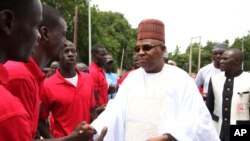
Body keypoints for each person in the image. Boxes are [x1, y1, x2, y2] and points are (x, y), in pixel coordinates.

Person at [91, 19, 219, 141]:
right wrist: (94, 127)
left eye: (146, 48)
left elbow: (198, 119)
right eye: (137, 49)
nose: (140, 52)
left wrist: (170, 137)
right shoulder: (131, 79)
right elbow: (115, 112)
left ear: (162, 50)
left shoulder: (181, 79)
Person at [3, 3, 106, 141]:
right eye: (63, 35)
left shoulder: (33, 77)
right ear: (45, 33)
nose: (65, 44)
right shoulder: (20, 77)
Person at [39, 41, 96, 138]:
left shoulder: (88, 79)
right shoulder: (47, 85)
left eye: (73, 51)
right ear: (58, 55)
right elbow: (40, 121)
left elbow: (92, 111)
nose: (70, 54)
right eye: (66, 51)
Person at [206, 48, 250, 141]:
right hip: (218, 128)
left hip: (241, 129)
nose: (220, 61)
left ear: (237, 61)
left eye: (225, 59)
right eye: (221, 59)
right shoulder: (214, 79)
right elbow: (209, 108)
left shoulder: (248, 79)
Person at [89, 44, 108, 112]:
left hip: (104, 109)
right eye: (102, 55)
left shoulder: (101, 70)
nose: (105, 57)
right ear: (94, 56)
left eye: (106, 54)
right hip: (99, 112)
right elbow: (94, 98)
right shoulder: (93, 72)